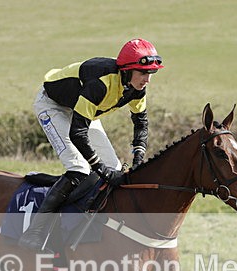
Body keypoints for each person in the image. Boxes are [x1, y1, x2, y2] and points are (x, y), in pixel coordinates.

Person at [18, 38, 164, 250]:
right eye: (143, 73)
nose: (147, 80)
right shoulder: (101, 83)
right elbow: (77, 133)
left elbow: (140, 122)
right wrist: (99, 168)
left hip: (84, 111)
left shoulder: (136, 88)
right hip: (53, 106)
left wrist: (138, 160)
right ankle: (35, 232)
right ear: (126, 70)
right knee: (79, 168)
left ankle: (93, 223)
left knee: (114, 170)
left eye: (151, 73)